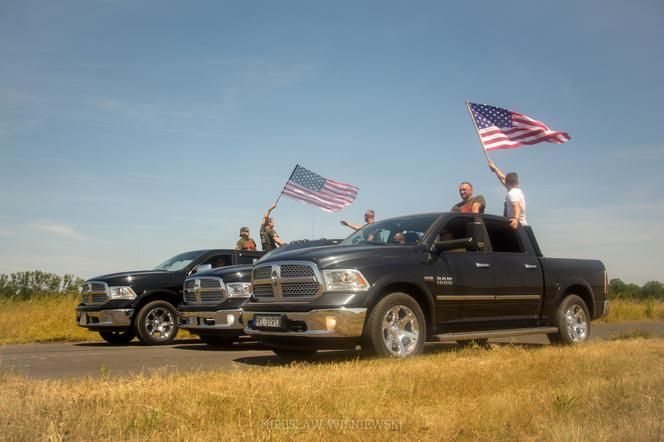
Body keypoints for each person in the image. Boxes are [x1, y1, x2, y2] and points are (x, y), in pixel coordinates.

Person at [488, 159, 527, 229]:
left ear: (507, 183)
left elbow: (517, 206)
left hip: (517, 226)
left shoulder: (513, 193)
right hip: (521, 226)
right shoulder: (517, 191)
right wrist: (495, 169)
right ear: (517, 182)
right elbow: (503, 178)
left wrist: (516, 219)